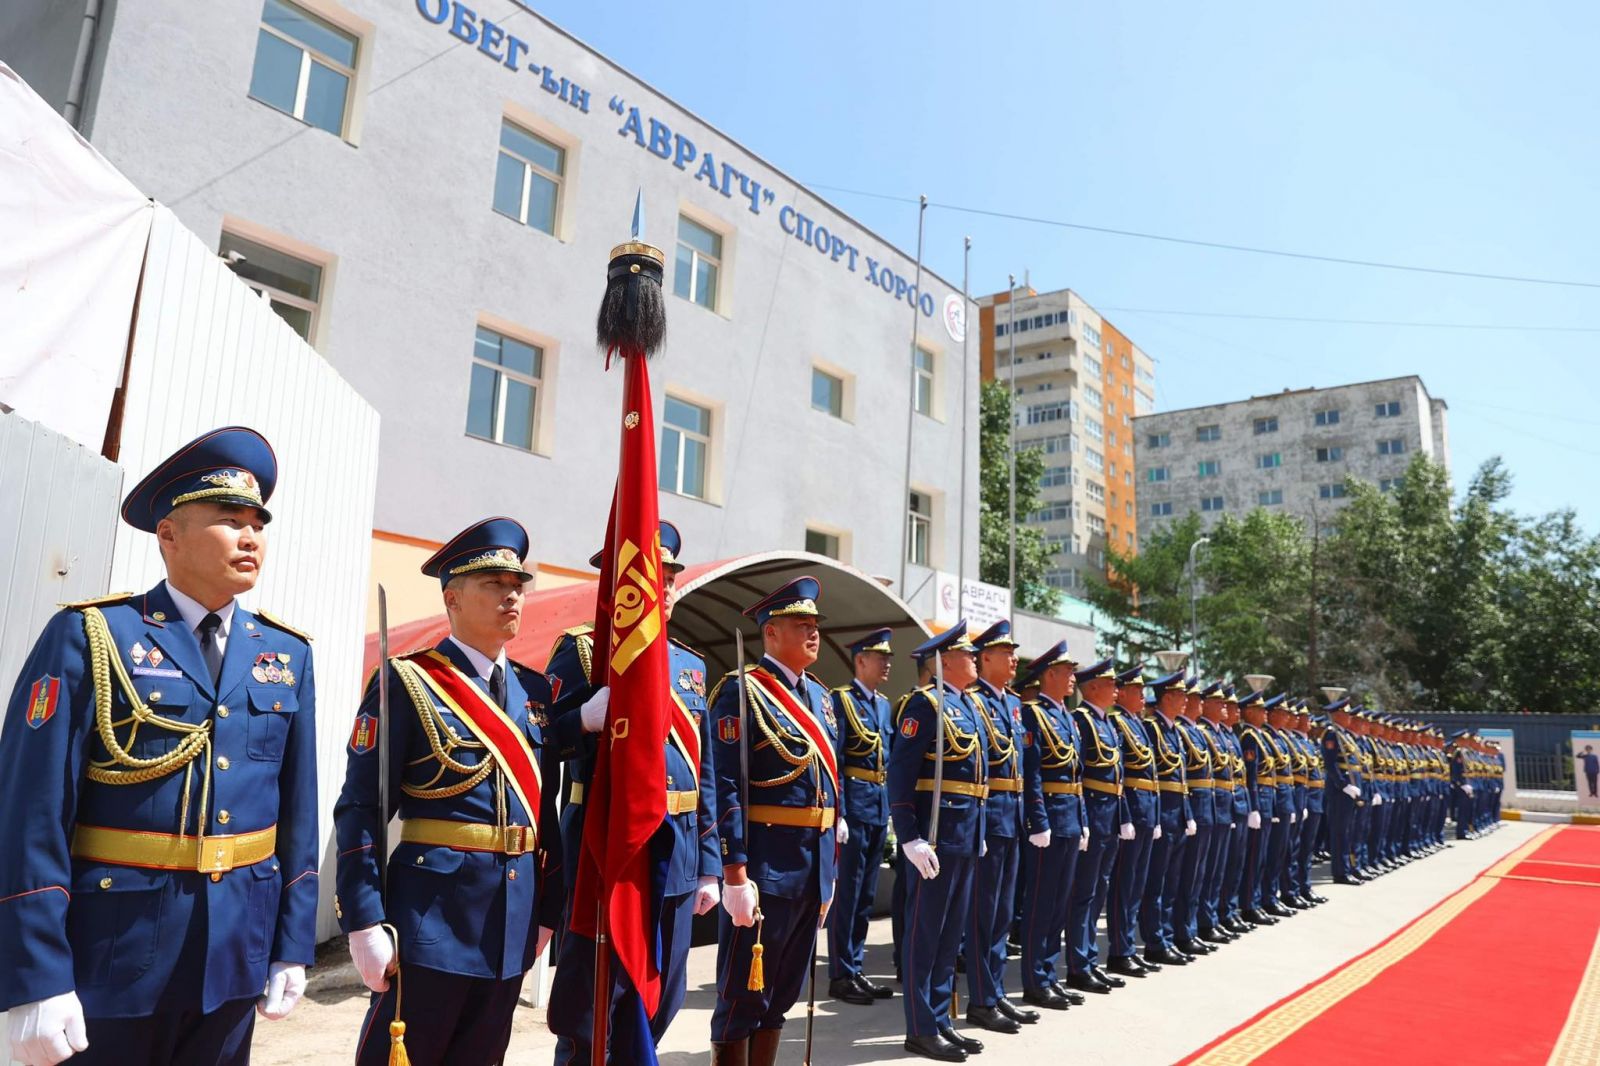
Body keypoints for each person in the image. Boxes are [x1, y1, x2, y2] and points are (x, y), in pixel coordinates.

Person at [0, 427, 317, 1066]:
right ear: (168, 534)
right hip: (114, 957)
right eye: (229, 521)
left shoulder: (286, 654)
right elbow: (31, 813)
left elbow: (297, 813)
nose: (251, 537)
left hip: (236, 951)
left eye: (258, 524)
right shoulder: (92, 634)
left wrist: (291, 941)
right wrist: (36, 974)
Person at [333, 517, 563, 1066]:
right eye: (494, 584)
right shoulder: (408, 681)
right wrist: (363, 919)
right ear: (452, 598)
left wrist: (549, 908)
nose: (512, 595)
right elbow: (361, 808)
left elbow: (544, 813)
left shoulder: (534, 691)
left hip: (511, 920)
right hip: (431, 921)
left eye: (518, 585)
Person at [544, 521, 720, 1063]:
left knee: (662, 995)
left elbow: (706, 772)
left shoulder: (690, 665)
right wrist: (582, 720)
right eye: (650, 576)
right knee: (594, 1004)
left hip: (679, 850)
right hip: (607, 849)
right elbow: (541, 740)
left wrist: (711, 865)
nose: (661, 588)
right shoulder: (584, 650)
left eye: (669, 578)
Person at [709, 577, 841, 1066]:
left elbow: (832, 781)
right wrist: (734, 872)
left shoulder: (821, 697)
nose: (813, 632)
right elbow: (723, 785)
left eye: (814, 624)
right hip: (766, 868)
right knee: (743, 997)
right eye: (801, 624)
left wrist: (831, 863)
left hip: (812, 868)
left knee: (782, 994)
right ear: (770, 632)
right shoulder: (741, 692)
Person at [890, 623, 988, 1063]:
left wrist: (979, 832)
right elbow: (900, 773)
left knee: (950, 937)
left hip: (964, 834)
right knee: (925, 935)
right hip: (934, 837)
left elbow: (976, 778)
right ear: (945, 662)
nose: (974, 659)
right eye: (967, 654)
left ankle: (941, 1019)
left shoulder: (967, 706)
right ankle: (920, 1028)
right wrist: (908, 837)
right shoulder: (924, 704)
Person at [963, 621, 1037, 1034]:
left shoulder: (1013, 704)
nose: (1014, 660)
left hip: (1012, 815)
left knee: (1003, 913)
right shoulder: (973, 702)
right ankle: (981, 999)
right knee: (983, 913)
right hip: (988, 817)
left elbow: (1024, 766)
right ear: (985, 657)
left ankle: (994, 991)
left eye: (1014, 653)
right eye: (1006, 653)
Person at [828, 628, 897, 1007]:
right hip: (854, 808)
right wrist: (838, 812)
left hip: (877, 808)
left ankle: (854, 968)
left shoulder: (883, 706)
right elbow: (836, 759)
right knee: (848, 895)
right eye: (880, 658)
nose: (887, 664)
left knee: (866, 896)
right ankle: (840, 974)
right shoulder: (842, 701)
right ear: (860, 661)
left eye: (888, 658)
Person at [1017, 642, 1085, 1013]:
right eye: (1068, 671)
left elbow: (1076, 776)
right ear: (1050, 675)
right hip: (1050, 820)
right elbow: (1032, 773)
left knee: (1059, 904)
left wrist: (1083, 821)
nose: (1073, 678)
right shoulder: (1033, 714)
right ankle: (1035, 981)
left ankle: (1049, 974)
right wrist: (1038, 820)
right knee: (1041, 903)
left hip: (1070, 817)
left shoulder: (1067, 717)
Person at [1066, 659, 1134, 994]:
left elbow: (1118, 776)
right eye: (1110, 684)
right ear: (1092, 687)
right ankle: (1079, 964)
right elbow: (1077, 776)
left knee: (1098, 892)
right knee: (1084, 893)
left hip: (1109, 814)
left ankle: (1089, 959)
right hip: (1093, 813)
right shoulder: (1082, 720)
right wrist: (1083, 819)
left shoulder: (1106, 722)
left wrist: (1124, 816)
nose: (1116, 689)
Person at [1106, 667, 1162, 977]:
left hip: (1147, 810)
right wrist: (1125, 815)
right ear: (1123, 693)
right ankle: (1119, 950)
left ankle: (1127, 946)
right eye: (1137, 691)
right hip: (1131, 811)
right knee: (1123, 885)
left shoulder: (1139, 725)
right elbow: (1120, 776)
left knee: (1137, 884)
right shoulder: (1117, 723)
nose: (1143, 696)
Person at [1140, 671, 1193, 964]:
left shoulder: (1175, 730)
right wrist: (1157, 818)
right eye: (1180, 695)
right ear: (1167, 697)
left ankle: (1168, 936)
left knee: (1172, 882)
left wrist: (1187, 814)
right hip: (1162, 813)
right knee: (1156, 884)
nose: (1185, 701)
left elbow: (1180, 778)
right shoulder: (1152, 728)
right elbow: (1151, 777)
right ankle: (1155, 941)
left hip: (1178, 814)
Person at [1172, 680, 1218, 957]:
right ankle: (1181, 931)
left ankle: (1191, 928)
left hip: (1205, 807)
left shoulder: (1196, 733)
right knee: (1185, 876)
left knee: (1200, 874)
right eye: (1196, 699)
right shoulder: (1179, 731)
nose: (1200, 703)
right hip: (1190, 808)